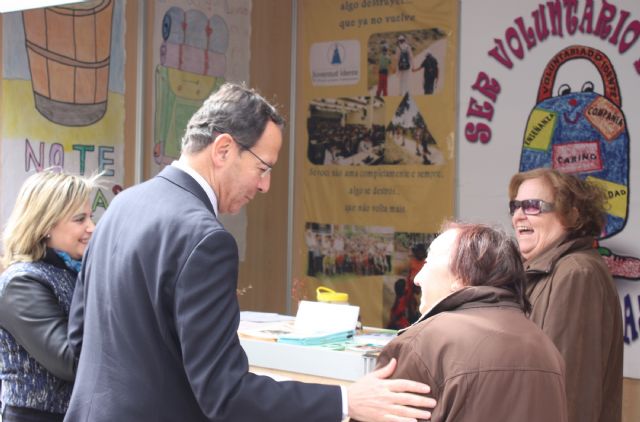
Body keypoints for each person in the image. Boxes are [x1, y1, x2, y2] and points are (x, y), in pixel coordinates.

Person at [65, 83, 435, 422]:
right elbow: (225, 394)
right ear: (223, 150)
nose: (265, 185)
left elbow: (79, 339)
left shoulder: (121, 206)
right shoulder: (206, 239)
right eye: (262, 168)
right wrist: (346, 401)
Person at [362, 222, 568, 421]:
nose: (417, 278)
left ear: (460, 276)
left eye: (427, 263)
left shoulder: (422, 344)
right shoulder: (544, 345)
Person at [508, 168, 623, 422]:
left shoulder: (576, 273)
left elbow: (568, 389)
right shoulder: (541, 270)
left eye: (532, 206)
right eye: (515, 206)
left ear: (571, 215)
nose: (518, 215)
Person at [0, 170, 99, 422]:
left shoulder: (75, 270)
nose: (92, 227)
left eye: (91, 216)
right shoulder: (22, 282)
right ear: (45, 226)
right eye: (80, 219)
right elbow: (70, 362)